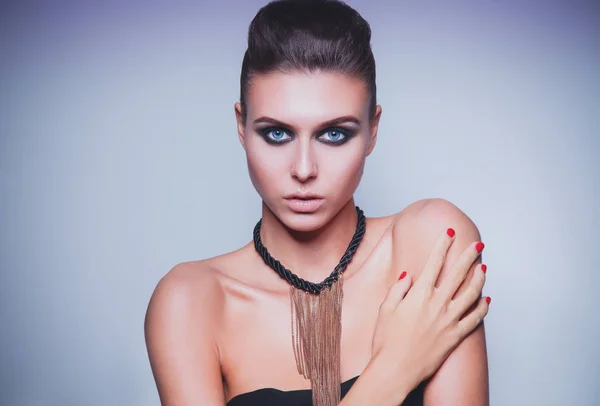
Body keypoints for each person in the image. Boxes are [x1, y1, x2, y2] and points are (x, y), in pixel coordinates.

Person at [144, 1, 491, 405]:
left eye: (334, 135)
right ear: (241, 126)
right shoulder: (192, 302)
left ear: (373, 130)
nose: (304, 169)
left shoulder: (429, 243)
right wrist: (394, 370)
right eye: (277, 134)